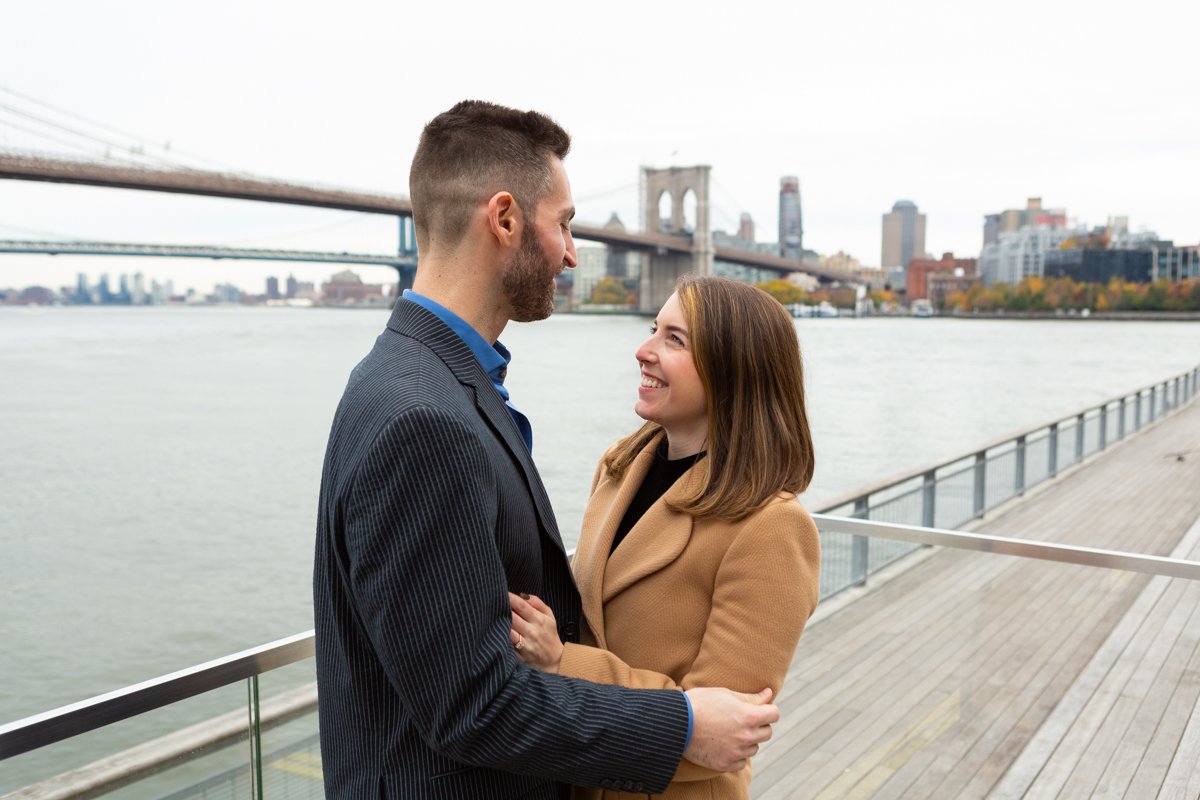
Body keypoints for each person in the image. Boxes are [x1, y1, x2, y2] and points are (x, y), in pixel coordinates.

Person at [312, 100, 781, 799]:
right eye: (563, 223)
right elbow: (473, 704)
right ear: (504, 219)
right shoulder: (424, 418)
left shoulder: (414, 378)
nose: (569, 251)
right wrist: (681, 725)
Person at [509, 274, 822, 799]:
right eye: (655, 329)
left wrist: (562, 661)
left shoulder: (772, 526)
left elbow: (721, 734)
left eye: (673, 339)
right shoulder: (617, 468)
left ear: (731, 369)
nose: (643, 350)